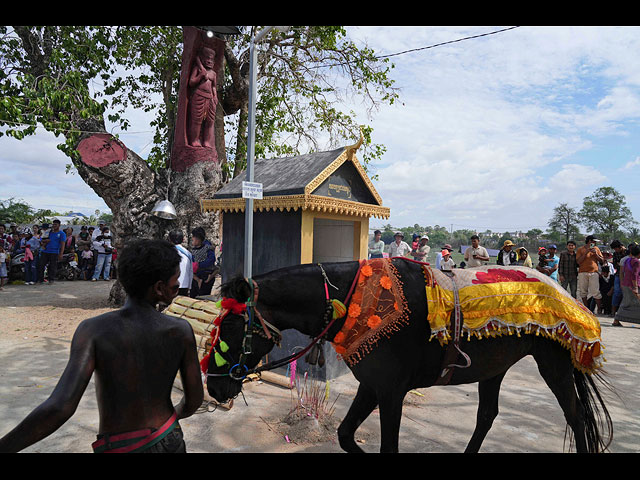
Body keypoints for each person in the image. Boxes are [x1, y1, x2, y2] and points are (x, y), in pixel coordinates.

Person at [0, 239, 204, 453]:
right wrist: (172, 418)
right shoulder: (180, 330)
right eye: (176, 278)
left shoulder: (94, 330)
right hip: (168, 437)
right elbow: (194, 400)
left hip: (119, 447)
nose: (178, 284)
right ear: (160, 288)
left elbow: (60, 407)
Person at [576, 235, 604, 313]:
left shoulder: (596, 249)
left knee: (595, 291)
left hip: (594, 272)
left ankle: (599, 309)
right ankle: (586, 309)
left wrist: (596, 254)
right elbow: (578, 262)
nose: (594, 243)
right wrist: (586, 253)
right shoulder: (581, 249)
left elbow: (602, 260)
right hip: (583, 272)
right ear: (589, 241)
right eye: (594, 241)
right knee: (583, 291)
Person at [614, 244, 640, 327]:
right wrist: (635, 288)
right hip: (633, 285)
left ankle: (616, 320)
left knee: (625, 303)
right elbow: (635, 275)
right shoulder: (637, 262)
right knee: (634, 303)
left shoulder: (627, 260)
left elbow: (624, 273)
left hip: (626, 284)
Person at [189, 227, 217, 298]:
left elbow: (211, 260)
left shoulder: (208, 248)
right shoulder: (193, 250)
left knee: (203, 297)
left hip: (205, 276)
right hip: (196, 276)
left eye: (193, 237)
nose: (192, 239)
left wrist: (199, 265)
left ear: (198, 239)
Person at [39, 219, 66, 285]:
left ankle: (51, 279)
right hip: (45, 251)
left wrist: (61, 253)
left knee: (52, 266)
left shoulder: (61, 234)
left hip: (54, 252)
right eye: (53, 224)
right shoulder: (49, 232)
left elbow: (63, 244)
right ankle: (40, 279)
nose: (54, 226)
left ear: (59, 225)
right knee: (41, 265)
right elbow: (42, 239)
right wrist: (45, 241)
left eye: (55, 224)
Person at [169, 229, 193, 297]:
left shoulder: (168, 252)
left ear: (170, 239)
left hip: (171, 285)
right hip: (185, 285)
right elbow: (191, 271)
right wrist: (189, 286)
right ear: (182, 239)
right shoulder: (188, 254)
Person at [610, 240, 627, 318]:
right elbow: (615, 265)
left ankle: (623, 312)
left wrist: (620, 264)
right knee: (617, 292)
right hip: (618, 275)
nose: (615, 250)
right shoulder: (615, 254)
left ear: (620, 247)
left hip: (627, 276)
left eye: (616, 248)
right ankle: (613, 311)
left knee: (626, 294)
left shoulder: (628, 252)